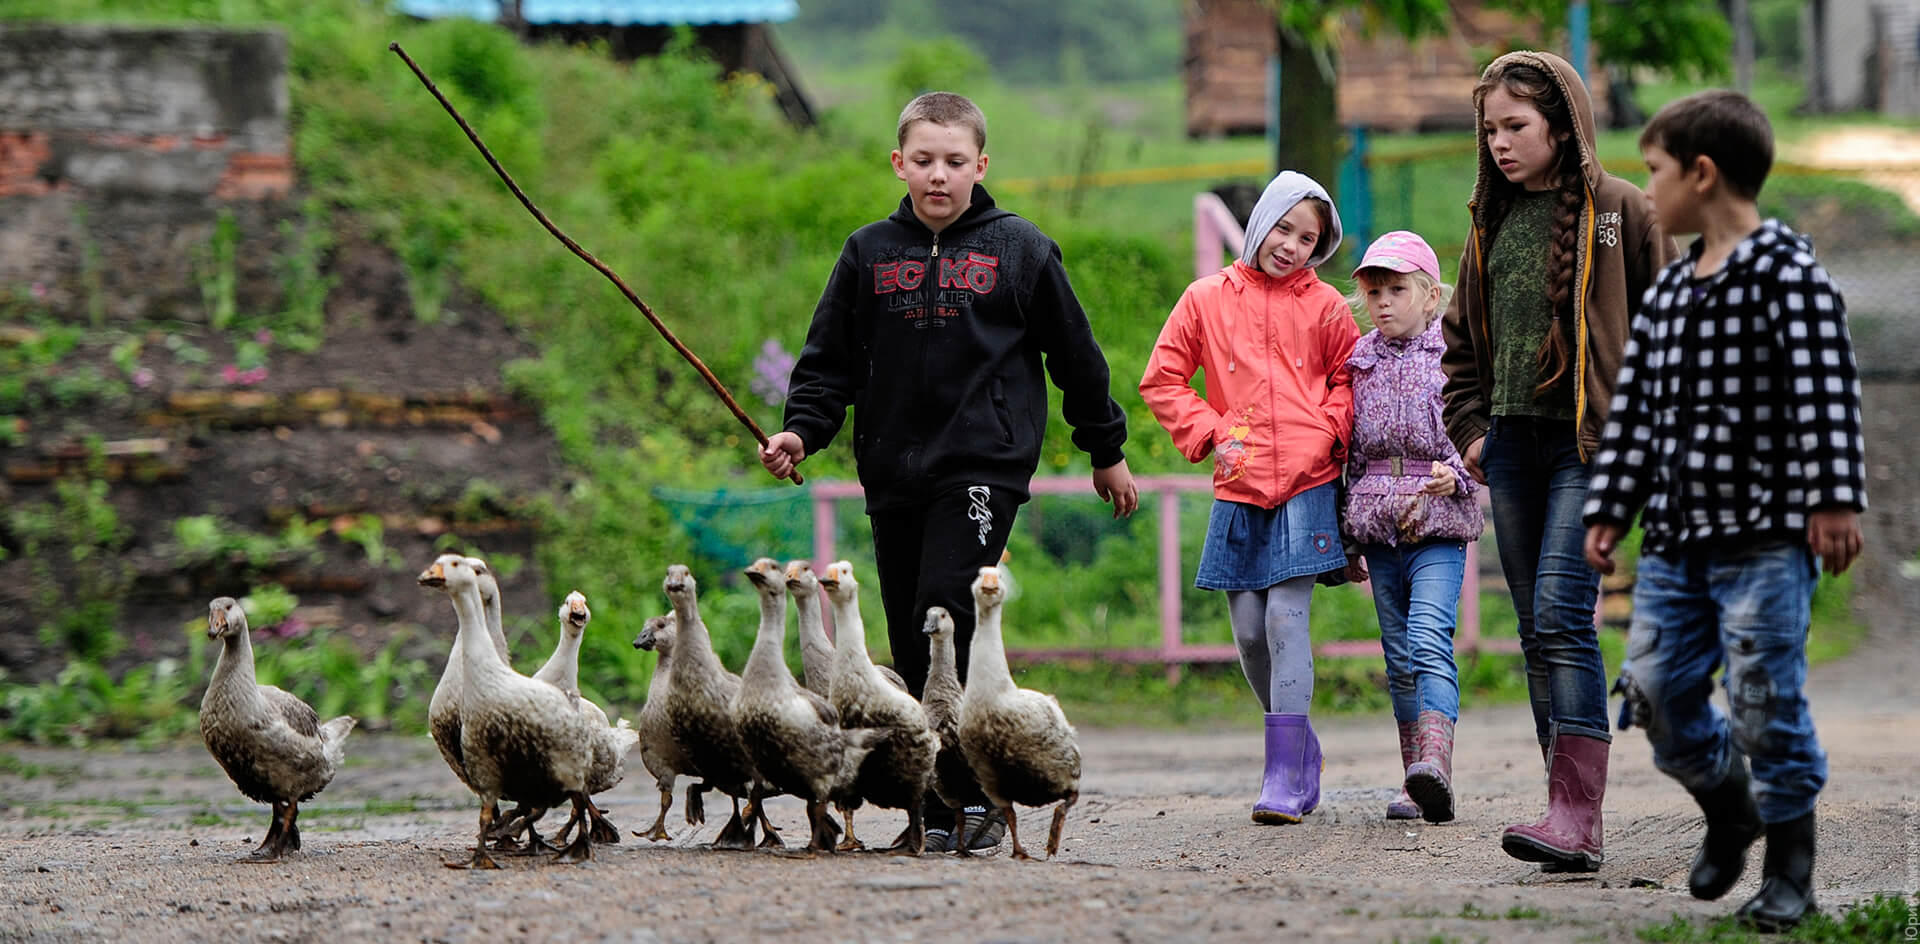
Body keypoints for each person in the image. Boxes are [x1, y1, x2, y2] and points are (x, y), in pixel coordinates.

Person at [759, 91, 1139, 852]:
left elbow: (1076, 356)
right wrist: (803, 432)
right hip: (893, 467)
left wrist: (1105, 448)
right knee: (905, 633)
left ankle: (972, 795)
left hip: (984, 464)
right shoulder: (867, 253)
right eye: (924, 161)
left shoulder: (1021, 249)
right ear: (899, 163)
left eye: (955, 162)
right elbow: (827, 361)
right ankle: (934, 793)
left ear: (981, 166)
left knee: (943, 610)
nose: (939, 176)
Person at [1584, 89, 1865, 931]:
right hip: (1675, 542)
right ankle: (1729, 807)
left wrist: (1833, 498)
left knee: (1763, 698)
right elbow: (1634, 415)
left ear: (1702, 176)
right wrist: (1611, 508)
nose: (1650, 186)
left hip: (1767, 541)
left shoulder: (1788, 274)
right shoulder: (1670, 294)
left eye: (1657, 171)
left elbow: (1826, 395)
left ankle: (1790, 870)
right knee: (1660, 691)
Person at [1439, 50, 1676, 871]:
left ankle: (1578, 816)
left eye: (1517, 126)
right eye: (1490, 129)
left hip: (1593, 450)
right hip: (1510, 449)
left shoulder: (1622, 210)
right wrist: (1472, 430)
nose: (1500, 143)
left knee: (1563, 616)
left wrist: (1651, 444)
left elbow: (1668, 331)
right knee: (1536, 631)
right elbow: (1460, 345)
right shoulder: (1489, 222)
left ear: (1563, 124)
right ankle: (1564, 810)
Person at [1140, 170, 1358, 824]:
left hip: (1309, 481)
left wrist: (1324, 430)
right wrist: (1211, 432)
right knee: (1247, 631)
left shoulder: (1327, 307)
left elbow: (1351, 381)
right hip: (1239, 483)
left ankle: (1283, 776)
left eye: (1308, 237)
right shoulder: (1206, 298)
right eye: (1284, 228)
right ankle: (1301, 749)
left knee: (1285, 620)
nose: (1292, 245)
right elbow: (1164, 379)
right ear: (1262, 221)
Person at [1340, 231, 1483, 824]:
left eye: (1397, 290)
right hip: (1377, 524)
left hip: (1438, 523)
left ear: (1431, 297)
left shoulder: (1454, 358)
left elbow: (1477, 430)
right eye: (1374, 292)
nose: (1383, 303)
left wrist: (1458, 475)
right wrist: (1346, 536)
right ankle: (1416, 780)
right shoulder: (1358, 361)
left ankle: (1437, 766)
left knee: (1428, 638)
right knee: (1398, 657)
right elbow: (1345, 450)